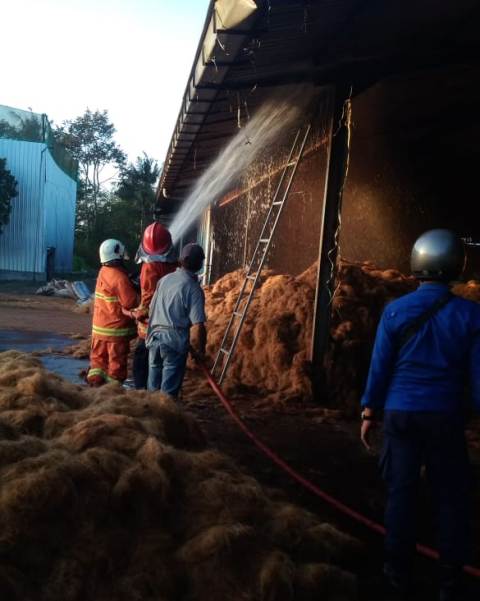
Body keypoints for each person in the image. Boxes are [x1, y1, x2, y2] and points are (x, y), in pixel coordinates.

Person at [360, 229, 480, 601]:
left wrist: (369, 410)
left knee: (401, 493)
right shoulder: (471, 314)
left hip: (401, 414)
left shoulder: (395, 310)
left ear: (417, 264)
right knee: (450, 498)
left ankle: (397, 574)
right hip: (444, 416)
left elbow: (380, 367)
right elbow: (478, 377)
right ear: (457, 266)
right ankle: (449, 582)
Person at [146, 242, 207, 397]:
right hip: (174, 343)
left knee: (152, 391)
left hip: (154, 339)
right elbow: (199, 325)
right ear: (200, 263)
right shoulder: (193, 288)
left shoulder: (164, 280)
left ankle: (150, 418)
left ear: (181, 260)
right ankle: (165, 419)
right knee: (168, 396)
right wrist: (200, 351)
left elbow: (151, 309)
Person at [130, 222, 178, 389]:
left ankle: (142, 393)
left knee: (144, 361)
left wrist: (138, 313)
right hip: (172, 324)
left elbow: (149, 298)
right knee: (167, 366)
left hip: (150, 327)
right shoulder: (174, 265)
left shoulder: (149, 267)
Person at [86, 239, 138, 386]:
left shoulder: (103, 271)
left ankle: (94, 386)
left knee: (97, 362)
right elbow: (131, 303)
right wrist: (136, 288)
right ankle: (112, 392)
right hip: (115, 332)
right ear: (117, 253)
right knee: (116, 367)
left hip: (99, 330)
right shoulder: (120, 278)